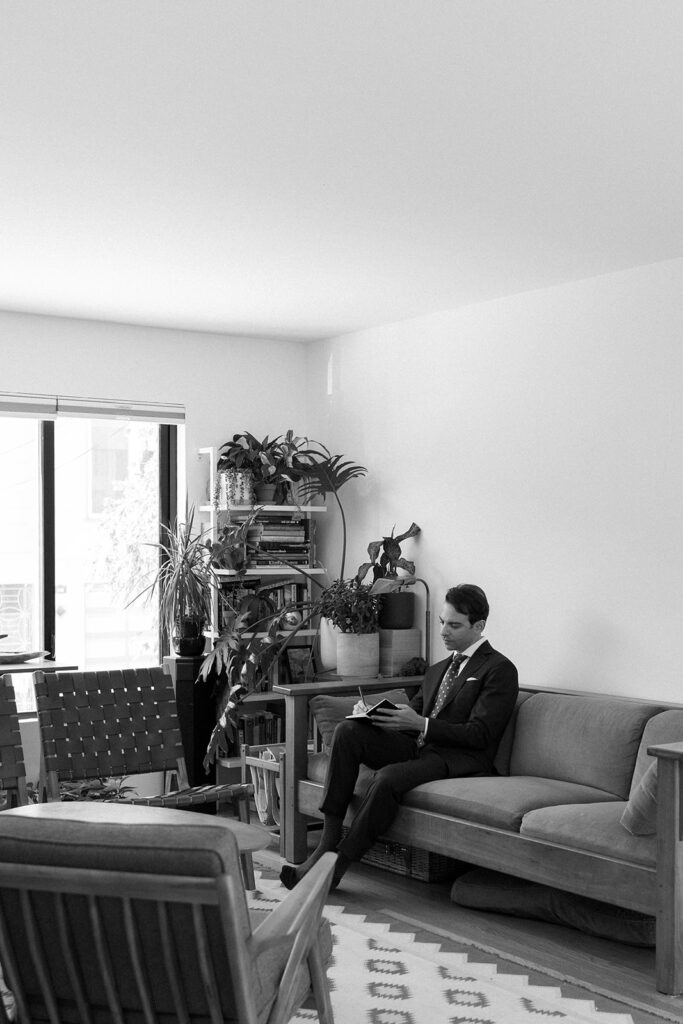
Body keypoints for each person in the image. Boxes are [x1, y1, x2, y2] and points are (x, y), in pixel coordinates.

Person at [280, 583, 519, 891]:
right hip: (418, 747)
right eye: (443, 622)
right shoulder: (438, 669)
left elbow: (480, 734)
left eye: (454, 625)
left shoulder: (498, 669)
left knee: (387, 778)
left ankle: (338, 865)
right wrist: (373, 714)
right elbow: (411, 715)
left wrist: (422, 724)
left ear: (479, 626)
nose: (444, 631)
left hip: (458, 757)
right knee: (348, 731)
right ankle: (328, 837)